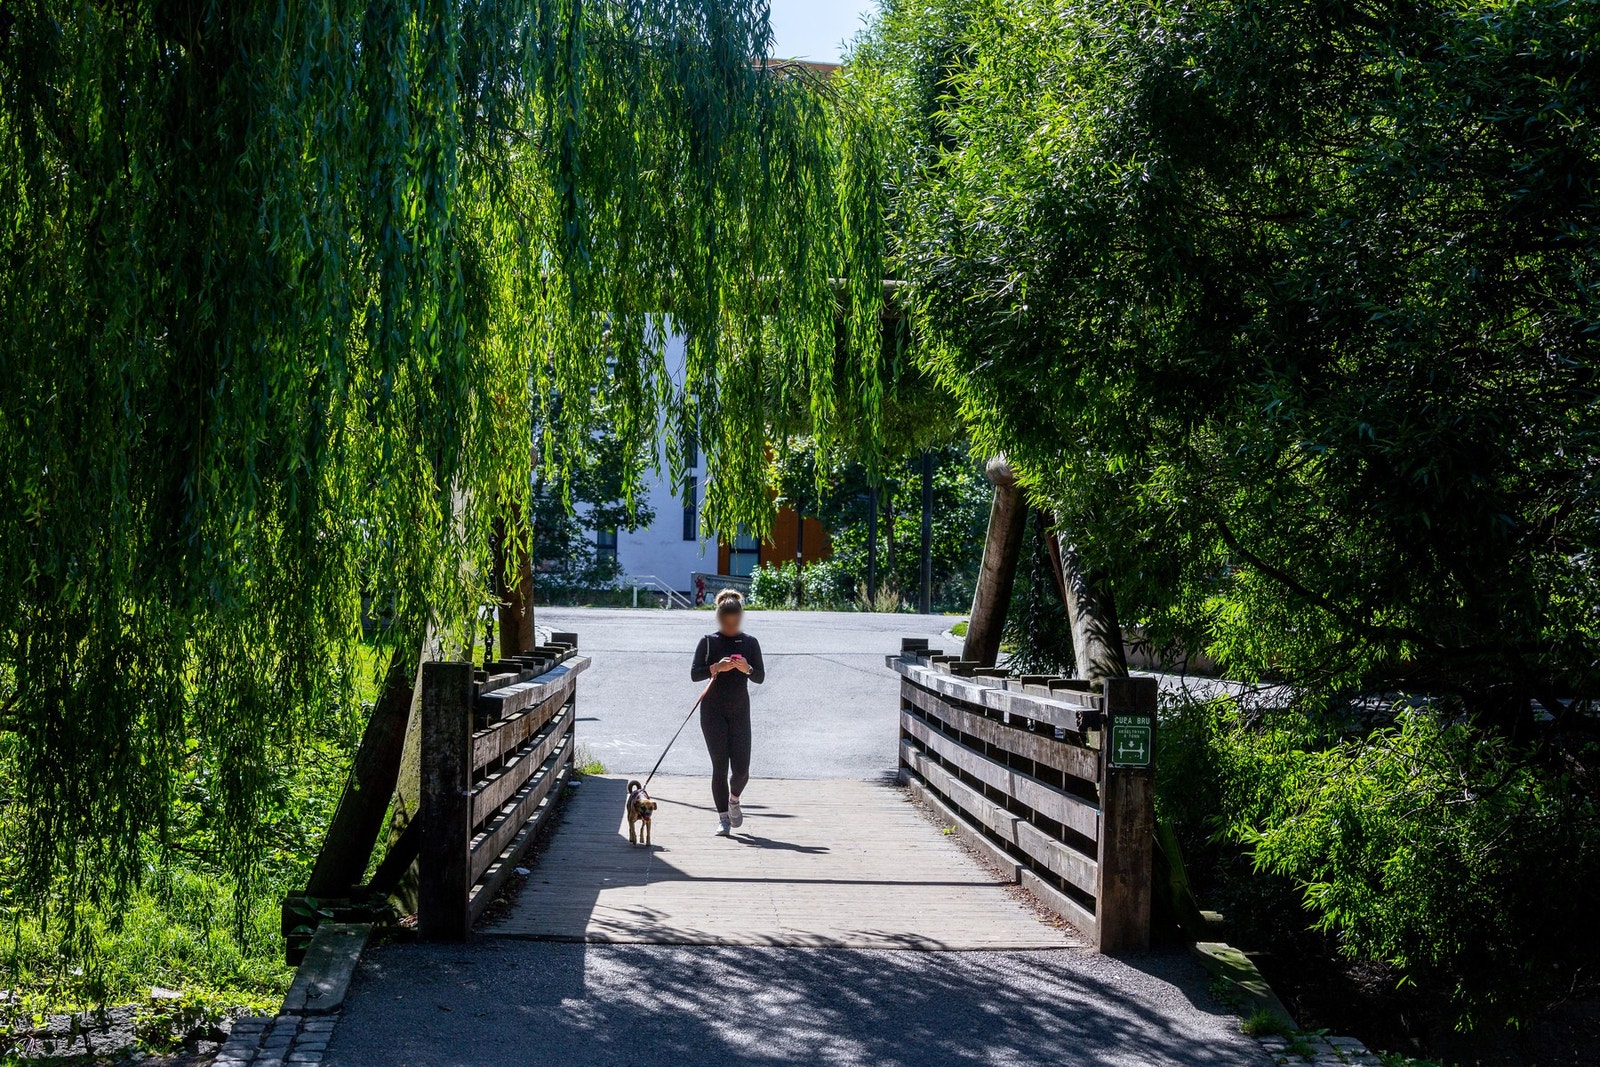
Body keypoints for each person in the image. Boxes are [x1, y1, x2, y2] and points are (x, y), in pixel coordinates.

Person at [690, 589, 766, 836]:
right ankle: (723, 818)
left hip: (740, 711)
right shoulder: (708, 641)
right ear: (719, 619)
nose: (731, 627)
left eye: (735, 622)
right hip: (712, 711)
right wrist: (716, 667)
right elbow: (694, 674)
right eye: (726, 622)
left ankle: (734, 799)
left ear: (741, 618)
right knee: (720, 768)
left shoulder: (750, 642)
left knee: (742, 770)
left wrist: (747, 668)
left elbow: (760, 678)